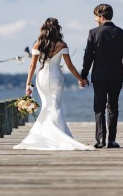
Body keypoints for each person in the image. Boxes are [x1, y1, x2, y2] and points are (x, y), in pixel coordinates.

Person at [13, 18, 94, 151]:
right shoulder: (62, 45)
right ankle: (58, 135)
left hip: (42, 78)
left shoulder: (37, 45)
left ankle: (45, 136)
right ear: (57, 29)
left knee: (47, 105)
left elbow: (32, 66)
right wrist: (80, 79)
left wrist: (28, 84)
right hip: (56, 78)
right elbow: (70, 66)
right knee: (55, 106)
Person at [81, 4, 123, 148]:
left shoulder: (93, 33)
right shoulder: (122, 33)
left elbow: (88, 58)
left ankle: (100, 140)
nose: (95, 19)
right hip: (117, 76)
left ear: (101, 17)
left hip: (99, 76)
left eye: (96, 16)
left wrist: (83, 76)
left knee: (99, 107)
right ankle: (111, 140)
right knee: (113, 107)